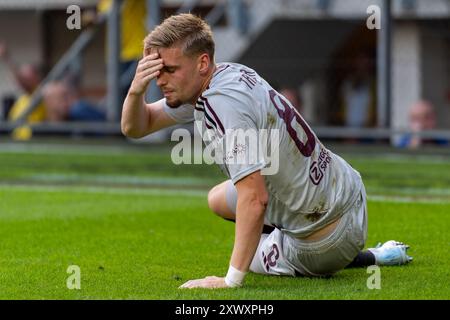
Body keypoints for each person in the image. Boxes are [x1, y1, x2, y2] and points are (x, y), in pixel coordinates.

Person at [121, 14, 412, 289]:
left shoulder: (221, 104)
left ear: (202, 63)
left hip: (327, 241)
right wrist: (136, 91)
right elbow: (136, 126)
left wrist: (230, 280)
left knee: (251, 245)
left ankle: (373, 256)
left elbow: (255, 198)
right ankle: (289, 233)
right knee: (217, 199)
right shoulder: (227, 74)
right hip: (348, 192)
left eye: (169, 70)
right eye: (157, 72)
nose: (160, 81)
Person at [0, 42, 46, 140]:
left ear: (36, 77)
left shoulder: (38, 92)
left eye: (26, 75)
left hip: (28, 141)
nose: (22, 77)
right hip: (13, 139)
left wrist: (7, 58)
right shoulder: (23, 97)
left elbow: (22, 81)